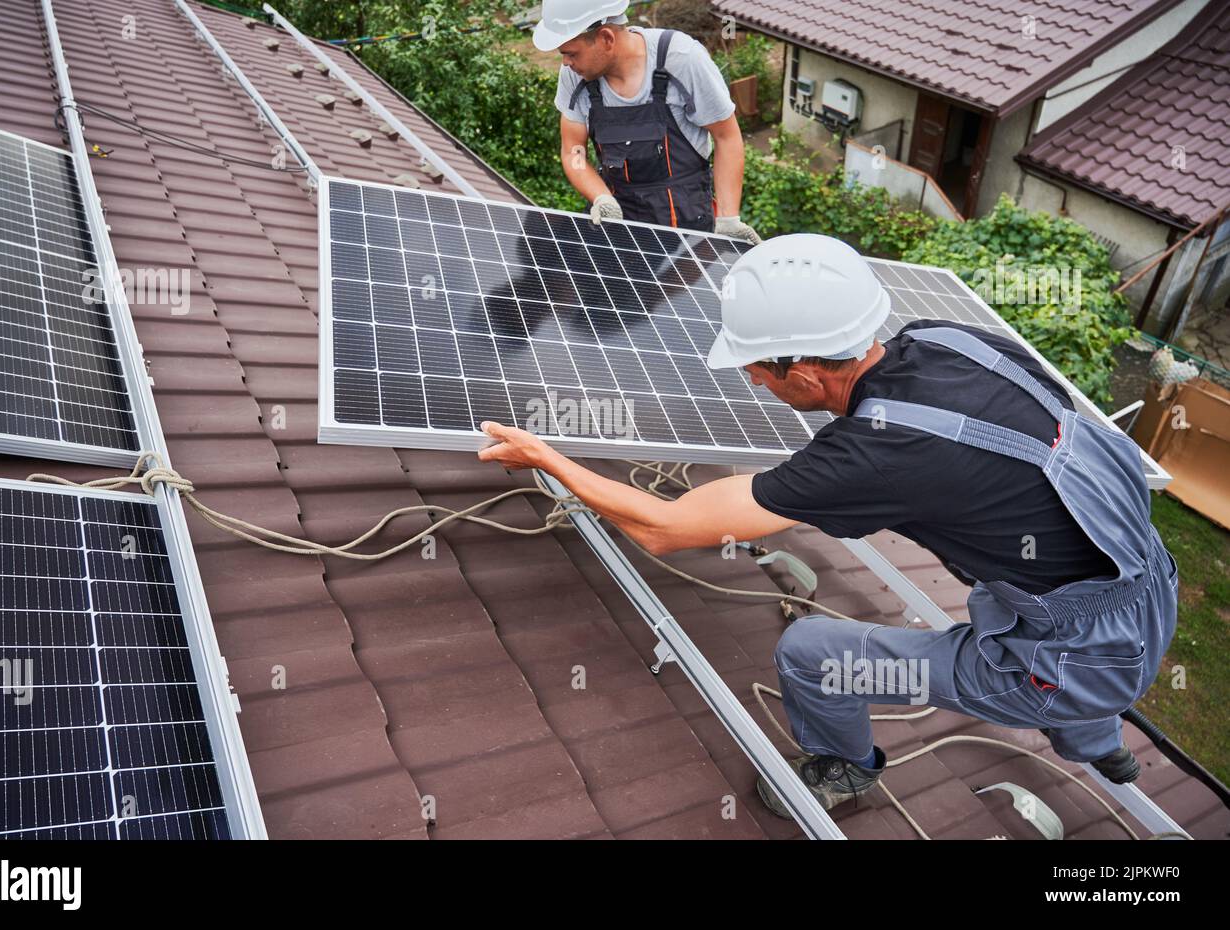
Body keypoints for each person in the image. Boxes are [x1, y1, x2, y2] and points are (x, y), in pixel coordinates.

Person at [475, 233, 1179, 815]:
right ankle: (1100, 739)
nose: (753, 382)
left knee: (811, 652)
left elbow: (663, 528)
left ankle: (848, 767)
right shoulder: (948, 342)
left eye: (758, 369)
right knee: (1016, 609)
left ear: (808, 375)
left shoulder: (876, 455)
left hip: (1072, 654)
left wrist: (548, 457)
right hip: (1142, 581)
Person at [533, 0, 761, 242]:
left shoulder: (681, 59)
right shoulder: (574, 76)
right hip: (619, 217)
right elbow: (573, 151)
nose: (565, 63)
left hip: (686, 220)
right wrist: (601, 197)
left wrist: (728, 219)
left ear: (606, 38)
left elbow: (726, 137)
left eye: (571, 53)